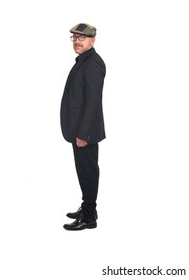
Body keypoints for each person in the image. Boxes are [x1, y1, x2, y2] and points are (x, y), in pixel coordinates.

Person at [60, 23, 106, 231]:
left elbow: (93, 101)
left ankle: (89, 217)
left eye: (82, 38)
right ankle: (88, 208)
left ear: (92, 40)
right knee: (84, 171)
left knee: (87, 172)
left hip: (84, 132)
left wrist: (83, 133)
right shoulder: (84, 61)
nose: (77, 41)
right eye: (75, 38)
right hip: (78, 130)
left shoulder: (93, 64)